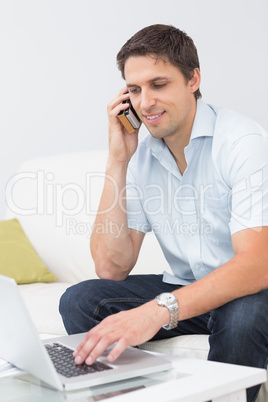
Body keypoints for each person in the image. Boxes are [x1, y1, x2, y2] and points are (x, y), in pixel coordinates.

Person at [59, 24, 268, 401]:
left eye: (159, 84)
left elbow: (256, 265)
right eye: (135, 90)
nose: (145, 102)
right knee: (80, 299)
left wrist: (158, 311)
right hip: (186, 286)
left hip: (250, 290)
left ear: (193, 79)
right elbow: (111, 267)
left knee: (243, 317)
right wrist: (118, 160)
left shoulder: (241, 141)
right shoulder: (143, 156)